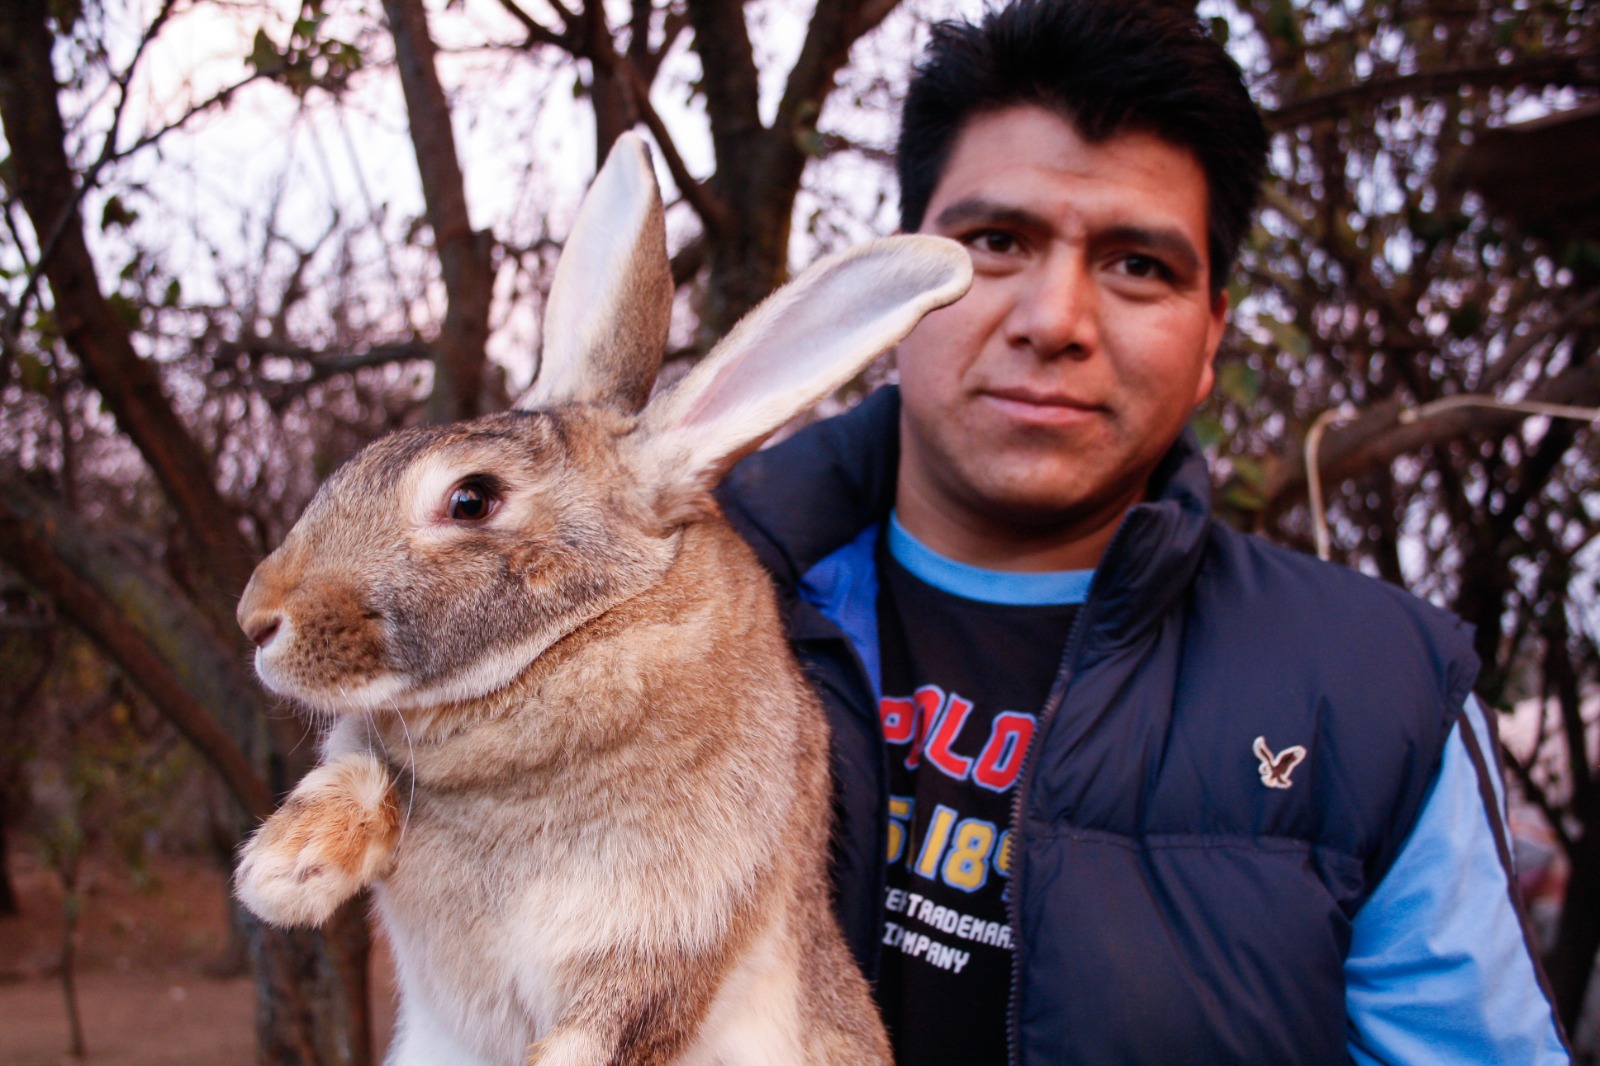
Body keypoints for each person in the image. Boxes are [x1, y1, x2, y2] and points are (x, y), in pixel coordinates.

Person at [716, 0, 1572, 1062]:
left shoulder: (1381, 699)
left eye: (1138, 266)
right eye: (992, 242)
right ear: (892, 288)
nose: (1055, 319)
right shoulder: (653, 605)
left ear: (1212, 333)